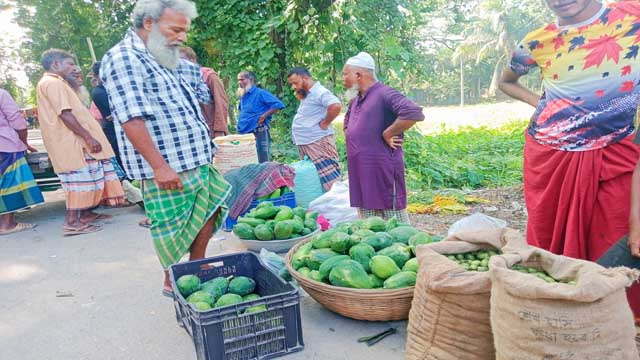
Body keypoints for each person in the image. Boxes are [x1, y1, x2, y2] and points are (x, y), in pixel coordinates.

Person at [499, 0, 640, 317]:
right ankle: (562, 316)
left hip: (616, 152)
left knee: (619, 237)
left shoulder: (631, 17)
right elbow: (506, 81)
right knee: (551, 240)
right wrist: (543, 105)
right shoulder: (537, 41)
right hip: (550, 157)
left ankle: (612, 318)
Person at [100, 0, 231, 296]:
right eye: (175, 29)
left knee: (210, 209)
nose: (182, 37)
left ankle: (197, 264)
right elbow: (131, 117)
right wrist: (159, 166)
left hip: (195, 157)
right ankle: (173, 278)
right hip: (168, 165)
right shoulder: (124, 57)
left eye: (185, 30)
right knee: (170, 226)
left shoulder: (162, 55)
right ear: (149, 23)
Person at [36, 49, 125, 236]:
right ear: (56, 64)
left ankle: (85, 215)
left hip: (76, 142)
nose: (72, 68)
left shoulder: (57, 83)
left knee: (90, 178)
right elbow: (65, 114)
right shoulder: (52, 83)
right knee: (79, 181)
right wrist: (88, 137)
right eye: (69, 64)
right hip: (72, 143)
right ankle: (72, 222)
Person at [342, 52, 424, 223]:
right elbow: (348, 124)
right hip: (360, 169)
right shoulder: (356, 99)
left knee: (393, 217)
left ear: (358, 75)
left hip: (381, 167)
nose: (343, 79)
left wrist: (389, 132)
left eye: (345, 74)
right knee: (369, 220)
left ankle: (404, 247)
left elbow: (413, 112)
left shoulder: (384, 93)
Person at [287, 67, 342, 191]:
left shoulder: (319, 92)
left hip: (318, 142)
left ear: (305, 78)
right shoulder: (307, 93)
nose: (294, 87)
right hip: (307, 142)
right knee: (314, 177)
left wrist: (326, 122)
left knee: (330, 179)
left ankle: (338, 205)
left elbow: (335, 105)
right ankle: (323, 204)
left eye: (295, 83)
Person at [0, 88, 44, 235]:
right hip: (5, 146)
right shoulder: (1, 94)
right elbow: (18, 122)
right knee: (9, 183)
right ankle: (7, 224)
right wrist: (24, 142)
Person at [179, 46, 229, 138]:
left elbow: (221, 103)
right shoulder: (180, 79)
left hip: (211, 130)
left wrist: (219, 130)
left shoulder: (210, 76)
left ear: (193, 60)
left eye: (182, 60)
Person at [236, 71, 285, 162]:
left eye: (242, 79)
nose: (239, 82)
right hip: (244, 133)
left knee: (262, 160)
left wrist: (264, 116)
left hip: (258, 131)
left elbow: (278, 105)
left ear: (250, 80)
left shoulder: (260, 93)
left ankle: (265, 176)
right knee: (245, 160)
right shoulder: (243, 96)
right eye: (238, 80)